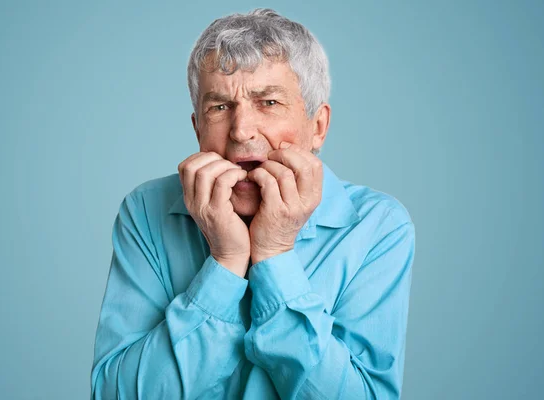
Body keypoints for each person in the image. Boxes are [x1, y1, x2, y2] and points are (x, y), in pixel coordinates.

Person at [90, 8, 415, 400]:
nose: (241, 131)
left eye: (269, 103)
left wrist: (274, 256)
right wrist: (225, 264)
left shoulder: (378, 227)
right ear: (197, 129)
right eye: (220, 107)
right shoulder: (145, 211)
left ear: (318, 127)